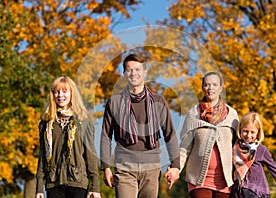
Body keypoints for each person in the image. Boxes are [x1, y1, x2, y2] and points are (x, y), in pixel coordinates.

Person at [100, 53, 180, 198]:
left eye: (137, 69)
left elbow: (170, 135)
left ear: (145, 72)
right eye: (129, 70)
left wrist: (175, 166)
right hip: (124, 166)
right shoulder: (115, 102)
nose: (133, 73)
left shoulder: (158, 102)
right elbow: (106, 137)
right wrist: (105, 167)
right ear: (124, 74)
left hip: (151, 166)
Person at [171, 72, 239, 198]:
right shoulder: (193, 114)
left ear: (221, 88)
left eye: (214, 84)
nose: (210, 88)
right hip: (198, 180)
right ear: (203, 88)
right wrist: (176, 169)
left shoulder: (232, 115)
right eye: (207, 85)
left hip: (225, 181)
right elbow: (184, 149)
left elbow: (238, 146)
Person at [35, 76, 101, 198]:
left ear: (72, 94)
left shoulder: (83, 121)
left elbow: (90, 156)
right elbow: (42, 156)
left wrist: (95, 186)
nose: (60, 95)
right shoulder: (46, 123)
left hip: (78, 182)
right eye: (57, 91)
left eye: (64, 91)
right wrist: (39, 187)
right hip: (53, 182)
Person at [231, 112, 276, 198]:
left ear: (258, 132)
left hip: (257, 193)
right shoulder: (234, 147)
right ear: (240, 129)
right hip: (238, 192)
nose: (248, 135)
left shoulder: (261, 150)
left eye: (252, 132)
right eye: (245, 131)